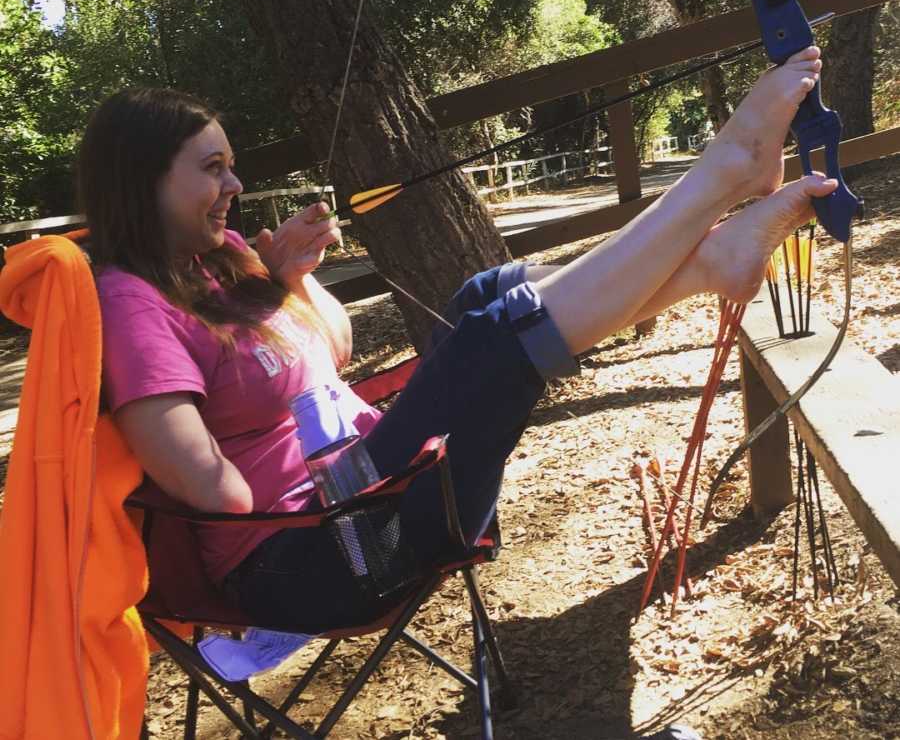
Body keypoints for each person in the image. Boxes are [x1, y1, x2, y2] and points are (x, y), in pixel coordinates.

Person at [81, 48, 834, 740]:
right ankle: (720, 179)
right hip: (318, 555)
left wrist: (288, 283)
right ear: (142, 183)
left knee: (487, 293)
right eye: (212, 169)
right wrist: (311, 460)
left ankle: (714, 259)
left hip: (358, 492)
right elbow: (215, 490)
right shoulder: (131, 303)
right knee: (492, 338)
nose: (235, 188)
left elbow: (332, 351)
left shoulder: (226, 261)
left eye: (232, 166)